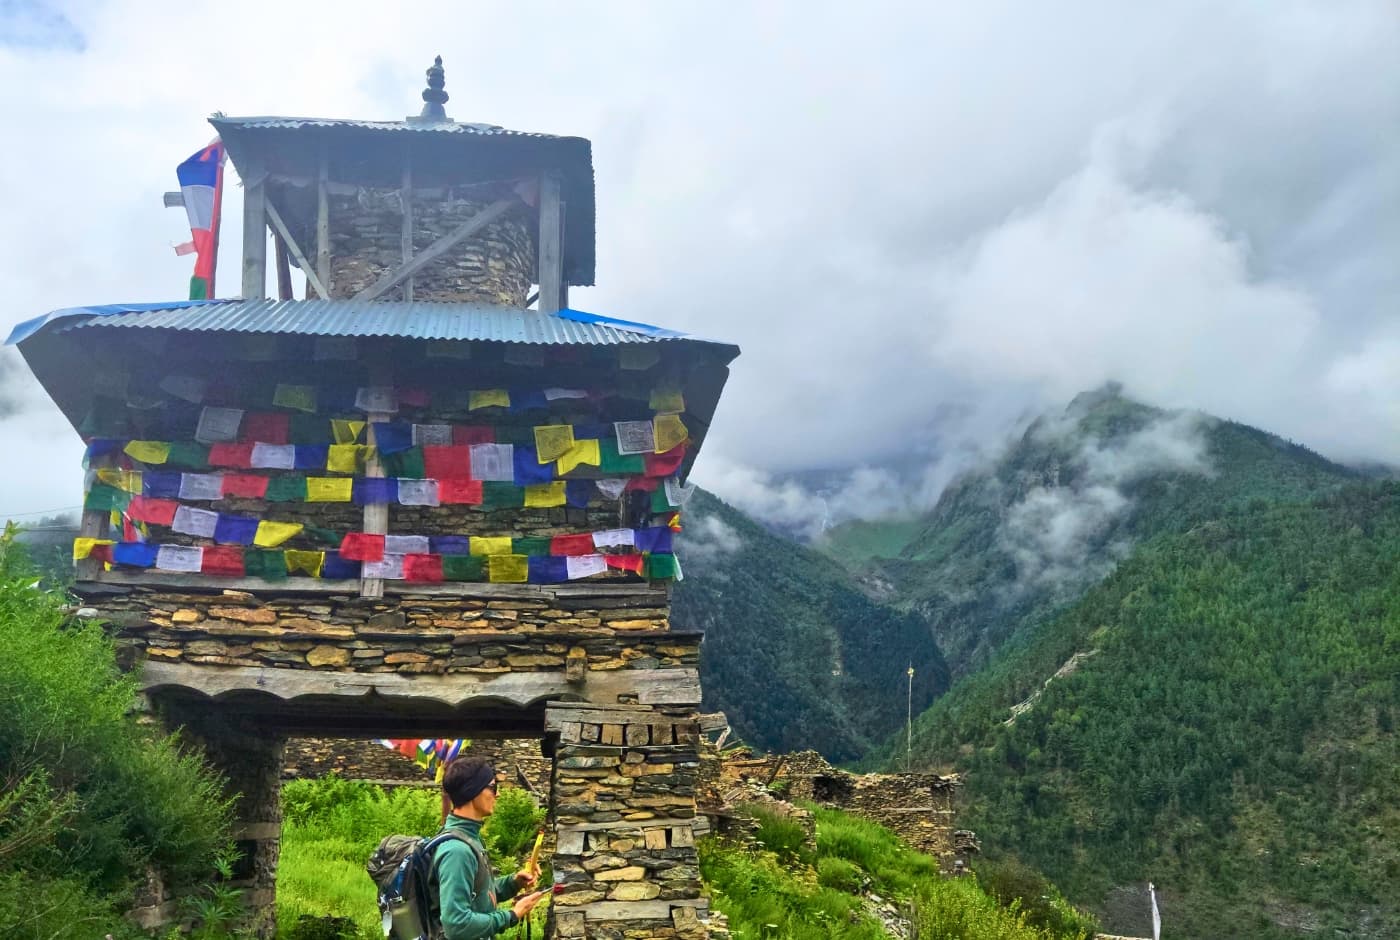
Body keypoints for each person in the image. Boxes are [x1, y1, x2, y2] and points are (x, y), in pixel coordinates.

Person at [433, 757, 546, 938]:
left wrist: (514, 882)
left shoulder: (469, 838)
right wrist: (512, 915)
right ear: (473, 791)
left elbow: (478, 895)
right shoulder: (457, 851)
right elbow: (456, 924)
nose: (498, 794)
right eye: (493, 787)